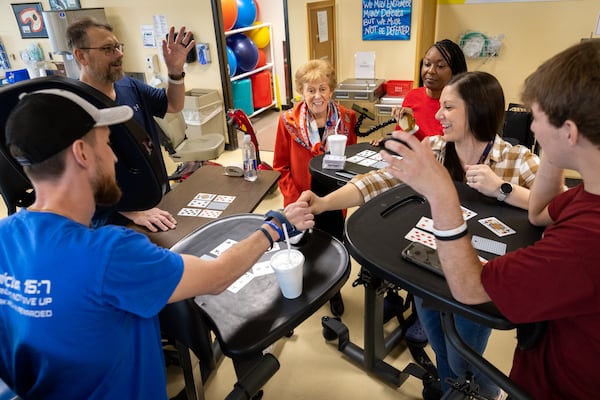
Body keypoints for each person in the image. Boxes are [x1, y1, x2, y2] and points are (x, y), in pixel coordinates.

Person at [0, 88, 314, 399]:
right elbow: (218, 276)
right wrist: (274, 227)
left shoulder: (4, 237)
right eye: (108, 144)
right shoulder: (110, 253)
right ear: (82, 153)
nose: (113, 157)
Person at [379, 40, 600, 399]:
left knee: (465, 354)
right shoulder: (587, 193)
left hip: (561, 386)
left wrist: (442, 195)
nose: (532, 129)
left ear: (570, 132)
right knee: (444, 341)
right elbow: (541, 212)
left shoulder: (586, 240)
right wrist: (557, 153)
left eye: (537, 118)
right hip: (545, 368)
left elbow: (472, 287)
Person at [298, 71, 540, 399]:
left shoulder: (517, 159)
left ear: (477, 110)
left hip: (478, 281)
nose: (438, 115)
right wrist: (324, 202)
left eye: (448, 108)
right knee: (440, 345)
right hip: (426, 267)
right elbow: (379, 181)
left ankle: (476, 391)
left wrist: (503, 189)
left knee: (462, 357)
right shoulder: (435, 147)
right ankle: (449, 387)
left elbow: (555, 208)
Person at [67, 17, 194, 232]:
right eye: (108, 49)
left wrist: (175, 72)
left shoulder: (129, 85)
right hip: (113, 220)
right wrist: (132, 211)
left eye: (118, 46)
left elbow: (173, 104)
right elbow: (71, 180)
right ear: (81, 56)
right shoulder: (71, 107)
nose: (119, 54)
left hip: (156, 199)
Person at [273, 59, 357, 316]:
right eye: (310, 90)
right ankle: (305, 290)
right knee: (303, 247)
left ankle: (334, 290)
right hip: (299, 199)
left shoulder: (346, 118)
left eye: (322, 88)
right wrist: (294, 198)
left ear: (331, 90)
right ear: (302, 92)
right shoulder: (287, 122)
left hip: (333, 197)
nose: (317, 96)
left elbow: (351, 161)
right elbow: (279, 166)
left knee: (333, 247)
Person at [390, 39, 467, 142]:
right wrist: (386, 142)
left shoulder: (460, 105)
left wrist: (413, 128)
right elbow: (401, 138)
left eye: (440, 66)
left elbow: (442, 148)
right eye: (427, 64)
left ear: (455, 72)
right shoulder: (412, 95)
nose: (430, 71)